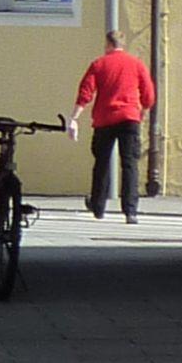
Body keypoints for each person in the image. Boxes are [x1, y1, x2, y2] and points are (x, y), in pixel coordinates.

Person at [74, 31, 158, 222]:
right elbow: (149, 93)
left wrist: (75, 116)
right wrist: (143, 109)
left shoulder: (99, 64)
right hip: (129, 117)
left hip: (104, 119)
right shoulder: (136, 63)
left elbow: (86, 92)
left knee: (101, 163)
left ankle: (98, 207)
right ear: (123, 44)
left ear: (108, 44)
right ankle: (130, 210)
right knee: (129, 163)